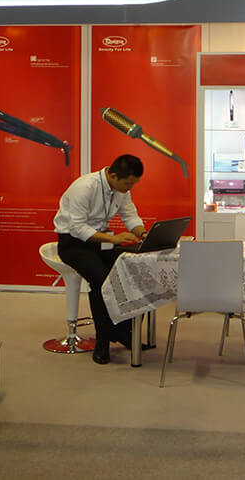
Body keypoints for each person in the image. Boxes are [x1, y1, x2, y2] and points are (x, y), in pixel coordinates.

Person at [54, 154, 148, 364]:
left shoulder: (122, 190)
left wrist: (143, 234)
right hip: (73, 243)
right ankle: (103, 340)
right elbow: (77, 228)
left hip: (101, 240)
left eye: (133, 184)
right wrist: (113, 239)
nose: (130, 188)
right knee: (102, 281)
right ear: (113, 176)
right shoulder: (84, 187)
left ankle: (123, 331)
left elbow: (130, 216)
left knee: (133, 269)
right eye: (127, 183)